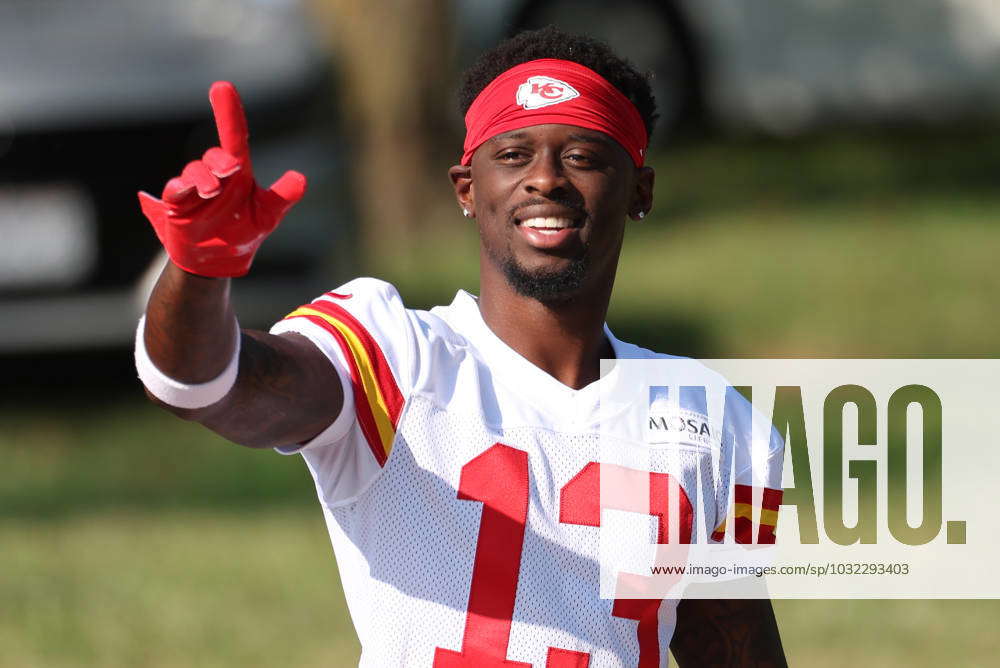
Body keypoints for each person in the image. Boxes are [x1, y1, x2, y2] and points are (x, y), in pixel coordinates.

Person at [135, 26, 787, 667]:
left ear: (638, 191)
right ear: (467, 189)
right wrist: (200, 266)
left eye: (582, 156)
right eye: (513, 155)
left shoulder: (705, 421)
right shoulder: (394, 352)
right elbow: (206, 385)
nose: (545, 180)